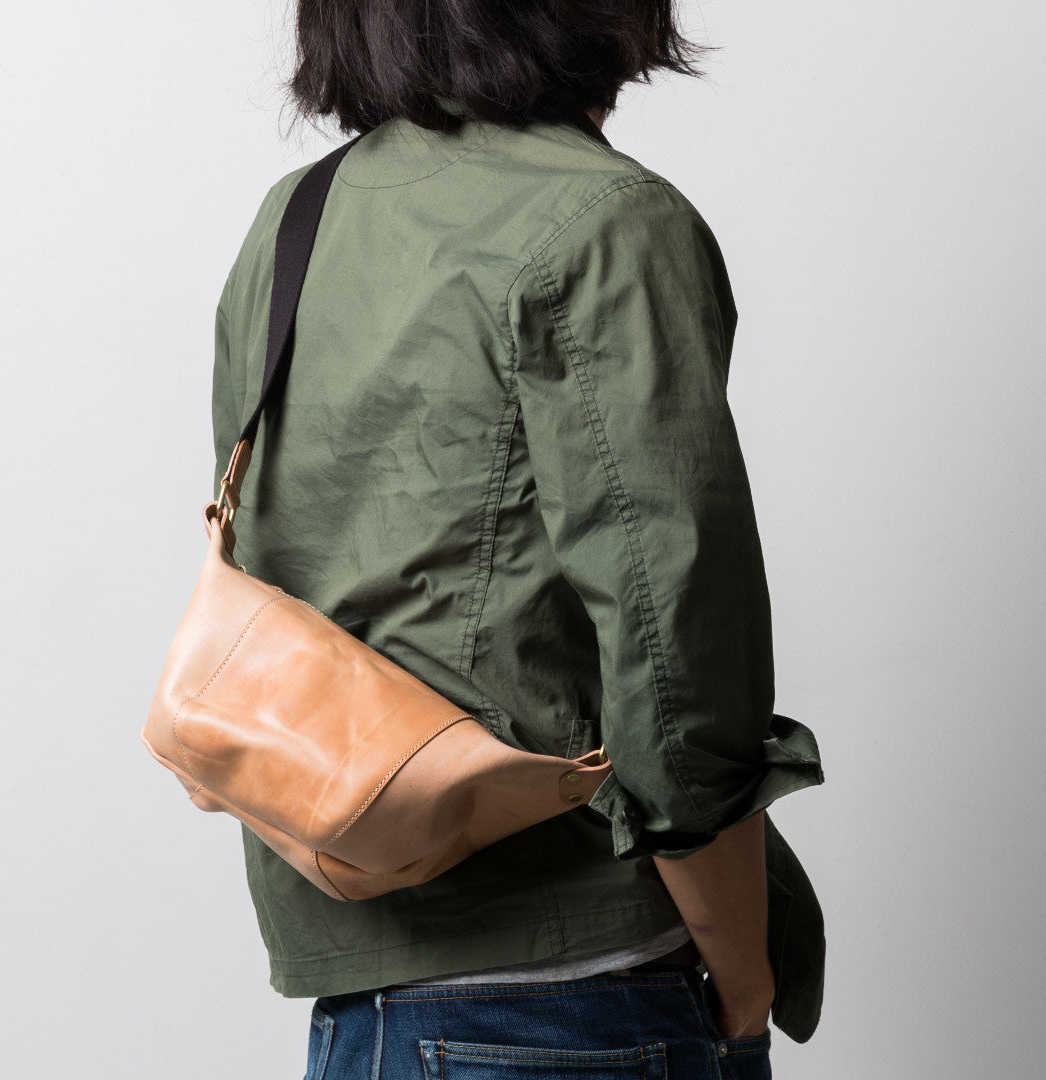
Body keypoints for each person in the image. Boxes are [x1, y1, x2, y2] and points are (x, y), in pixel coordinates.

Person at [210, 2, 825, 1076]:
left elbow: (275, 568)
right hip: (577, 1001)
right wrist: (743, 975)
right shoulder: (606, 221)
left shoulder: (296, 217)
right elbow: (677, 664)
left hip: (362, 1006)